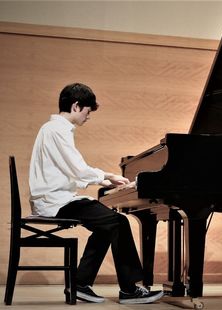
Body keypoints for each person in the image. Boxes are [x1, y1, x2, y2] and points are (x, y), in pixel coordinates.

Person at [28, 82, 164, 304]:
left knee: (108, 226)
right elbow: (77, 168)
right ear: (76, 105)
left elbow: (72, 170)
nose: (88, 117)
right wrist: (108, 176)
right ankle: (129, 290)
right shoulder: (57, 130)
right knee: (118, 222)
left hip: (56, 197)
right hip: (55, 200)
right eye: (87, 111)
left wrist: (103, 179)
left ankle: (80, 283)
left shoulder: (52, 129)